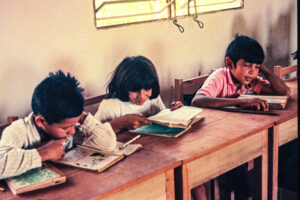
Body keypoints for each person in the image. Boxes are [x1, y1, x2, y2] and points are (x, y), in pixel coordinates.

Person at [191, 34, 290, 199]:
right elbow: (197, 100)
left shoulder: (251, 80)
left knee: (251, 153)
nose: (253, 71)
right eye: (248, 65)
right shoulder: (220, 77)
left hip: (236, 137)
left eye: (257, 67)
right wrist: (239, 101)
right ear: (230, 63)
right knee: (238, 161)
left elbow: (284, 92)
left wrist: (263, 70)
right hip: (213, 140)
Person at [0, 70, 116, 180]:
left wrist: (81, 116)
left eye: (74, 124)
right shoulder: (18, 131)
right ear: (40, 121)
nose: (72, 132)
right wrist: (43, 153)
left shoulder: (73, 127)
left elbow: (108, 144)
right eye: (65, 128)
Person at [94, 55, 183, 133]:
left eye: (147, 88)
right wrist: (119, 124)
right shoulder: (110, 107)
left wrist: (173, 113)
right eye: (135, 90)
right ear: (124, 87)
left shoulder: (153, 99)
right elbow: (91, 136)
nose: (142, 96)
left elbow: (162, 119)